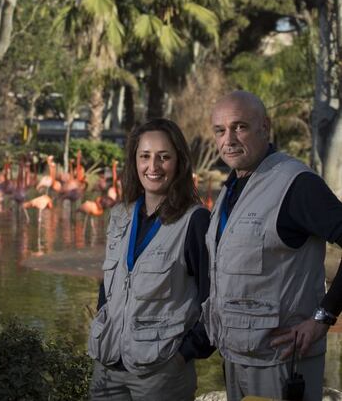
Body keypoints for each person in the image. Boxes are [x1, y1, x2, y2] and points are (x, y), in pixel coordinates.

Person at [203, 90, 342, 401]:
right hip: (237, 357)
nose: (229, 139)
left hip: (282, 364)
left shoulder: (296, 184)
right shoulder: (233, 188)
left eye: (240, 127)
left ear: (265, 127)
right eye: (220, 130)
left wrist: (324, 317)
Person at [88, 117, 214, 401]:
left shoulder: (195, 221)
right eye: (145, 156)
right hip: (107, 368)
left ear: (179, 162)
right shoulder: (120, 214)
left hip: (161, 374)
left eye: (163, 157)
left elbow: (213, 298)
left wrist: (184, 355)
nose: (153, 167)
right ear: (134, 161)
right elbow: (109, 284)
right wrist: (104, 324)